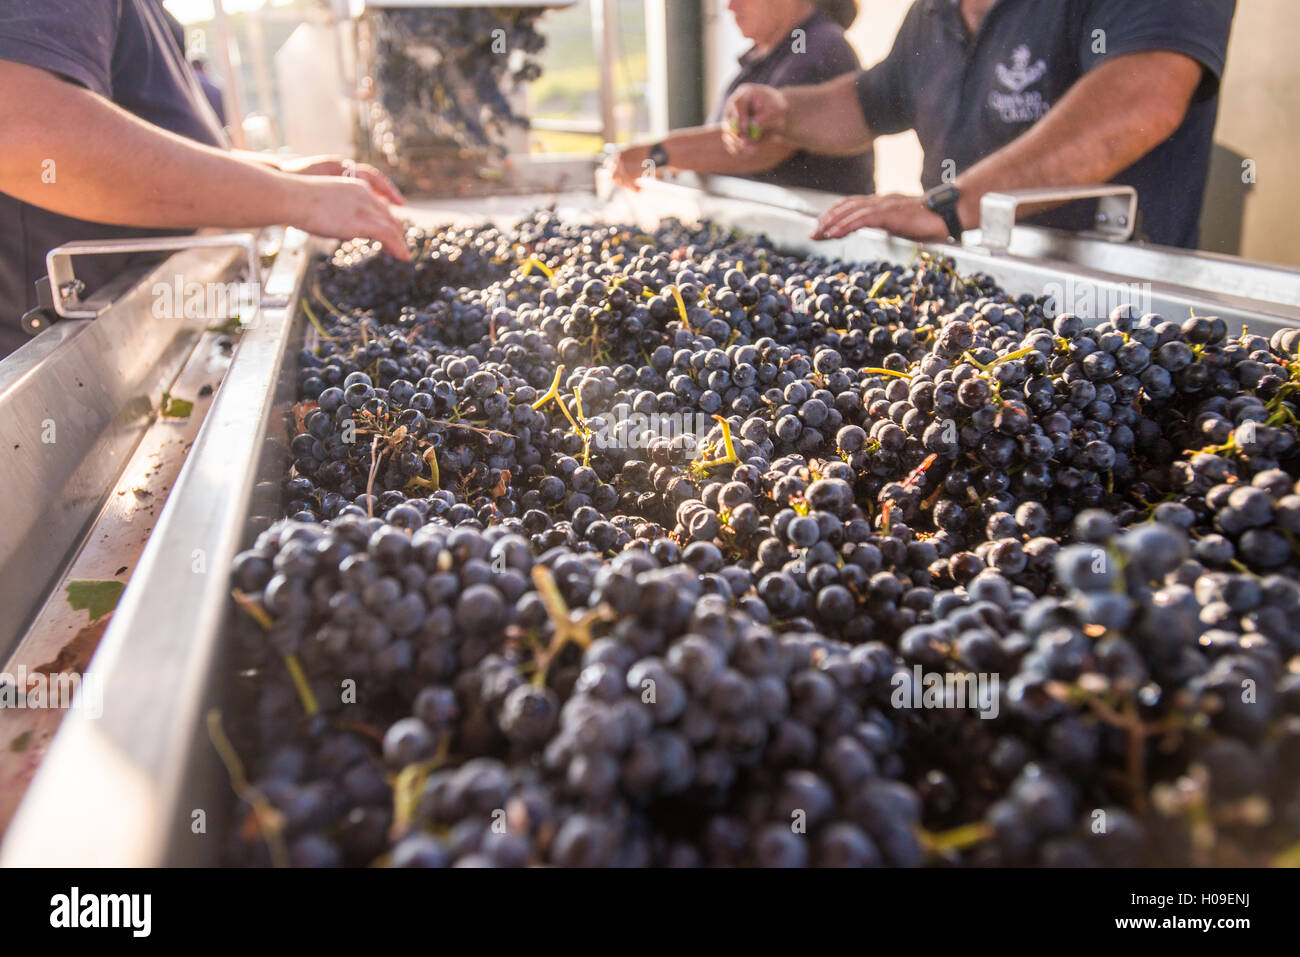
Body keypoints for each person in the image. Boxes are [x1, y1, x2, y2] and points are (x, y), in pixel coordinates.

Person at [0, 0, 409, 358]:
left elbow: (149, 140)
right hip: (50, 377)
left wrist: (277, 175)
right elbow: (20, 134)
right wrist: (295, 198)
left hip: (137, 337)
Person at [723, 0, 1237, 250]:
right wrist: (784, 111)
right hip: (969, 293)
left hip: (1109, 312)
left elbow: (1142, 98)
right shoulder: (935, 12)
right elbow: (870, 102)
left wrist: (952, 203)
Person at [609, 0, 873, 196]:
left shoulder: (818, 47)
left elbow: (759, 146)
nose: (730, 7)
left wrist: (657, 155)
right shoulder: (770, 53)